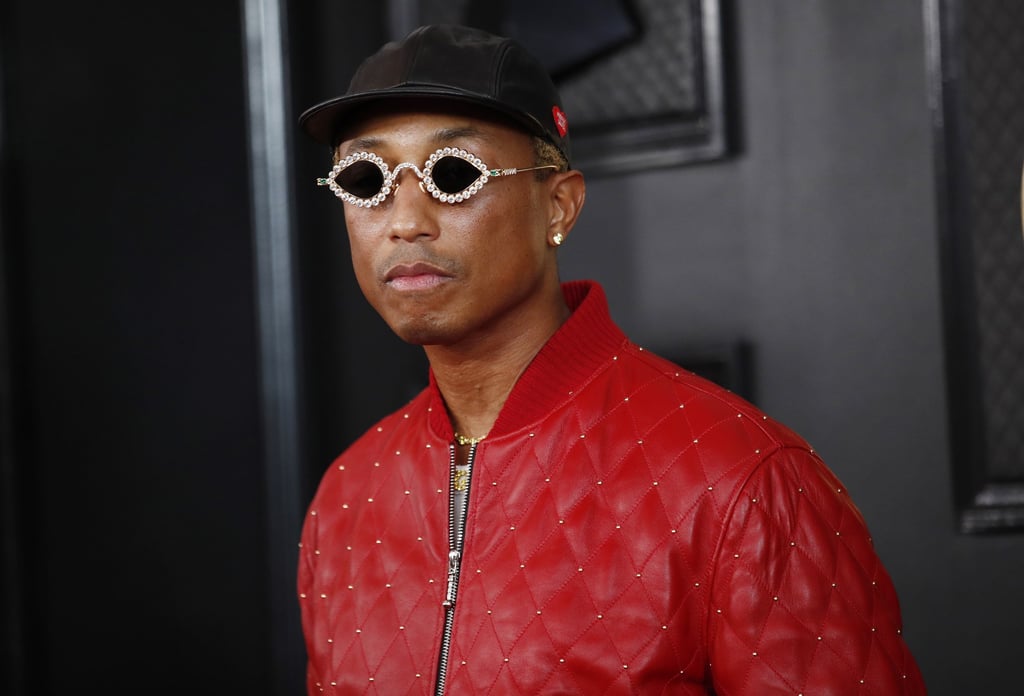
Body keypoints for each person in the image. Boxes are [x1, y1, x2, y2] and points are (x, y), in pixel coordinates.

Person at [295, 23, 926, 695]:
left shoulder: (743, 480)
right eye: (366, 180)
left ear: (558, 205)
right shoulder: (347, 496)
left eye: (455, 174)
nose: (404, 220)